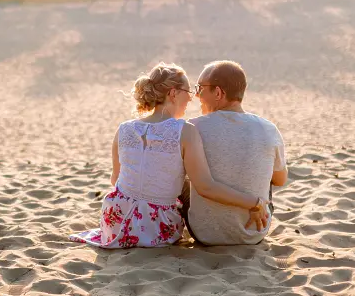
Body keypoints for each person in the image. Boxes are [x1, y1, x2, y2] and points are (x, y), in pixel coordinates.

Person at [72, 63, 269, 249]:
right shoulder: (185, 131)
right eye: (188, 91)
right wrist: (255, 202)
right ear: (173, 93)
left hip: (115, 219)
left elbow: (116, 179)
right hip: (156, 226)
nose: (192, 98)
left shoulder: (123, 129)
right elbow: (205, 186)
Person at [182, 60, 287, 245]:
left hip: (204, 233)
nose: (196, 95)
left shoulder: (192, 128)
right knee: (266, 173)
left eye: (200, 88)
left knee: (183, 178)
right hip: (254, 232)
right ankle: (256, 207)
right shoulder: (269, 129)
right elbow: (280, 180)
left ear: (218, 92)